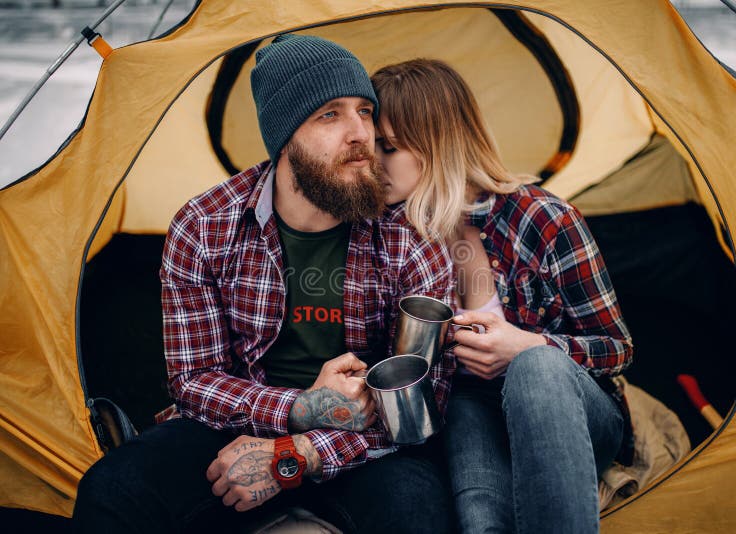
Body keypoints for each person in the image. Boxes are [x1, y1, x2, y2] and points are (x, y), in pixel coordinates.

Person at [73, 37, 457, 534]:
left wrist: (295, 455)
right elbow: (193, 380)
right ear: (284, 137)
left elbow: (430, 399)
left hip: (363, 445)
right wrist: (296, 410)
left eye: (365, 111)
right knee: (114, 491)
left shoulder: (408, 237)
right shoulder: (205, 225)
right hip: (228, 431)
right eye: (330, 115)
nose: (360, 132)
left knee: (417, 511)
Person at [371, 58, 634, 533]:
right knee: (483, 521)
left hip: (570, 407)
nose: (375, 164)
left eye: (388, 148)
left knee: (536, 368)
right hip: (473, 408)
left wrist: (526, 346)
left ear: (437, 144)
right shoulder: (389, 232)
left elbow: (616, 349)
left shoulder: (544, 220)